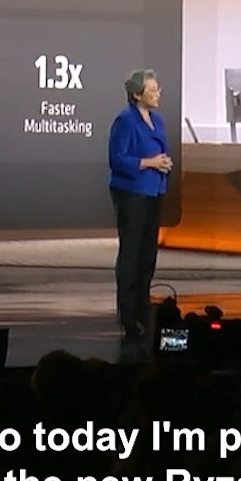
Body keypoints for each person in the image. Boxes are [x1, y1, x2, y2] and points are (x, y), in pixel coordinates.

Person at [108, 69, 172, 338]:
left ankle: (142, 309)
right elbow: (118, 159)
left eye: (158, 88)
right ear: (137, 94)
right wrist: (150, 162)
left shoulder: (157, 120)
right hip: (131, 194)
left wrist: (164, 163)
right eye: (152, 90)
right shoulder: (125, 121)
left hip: (153, 191)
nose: (158, 94)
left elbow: (161, 151)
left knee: (147, 255)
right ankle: (128, 315)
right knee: (131, 254)